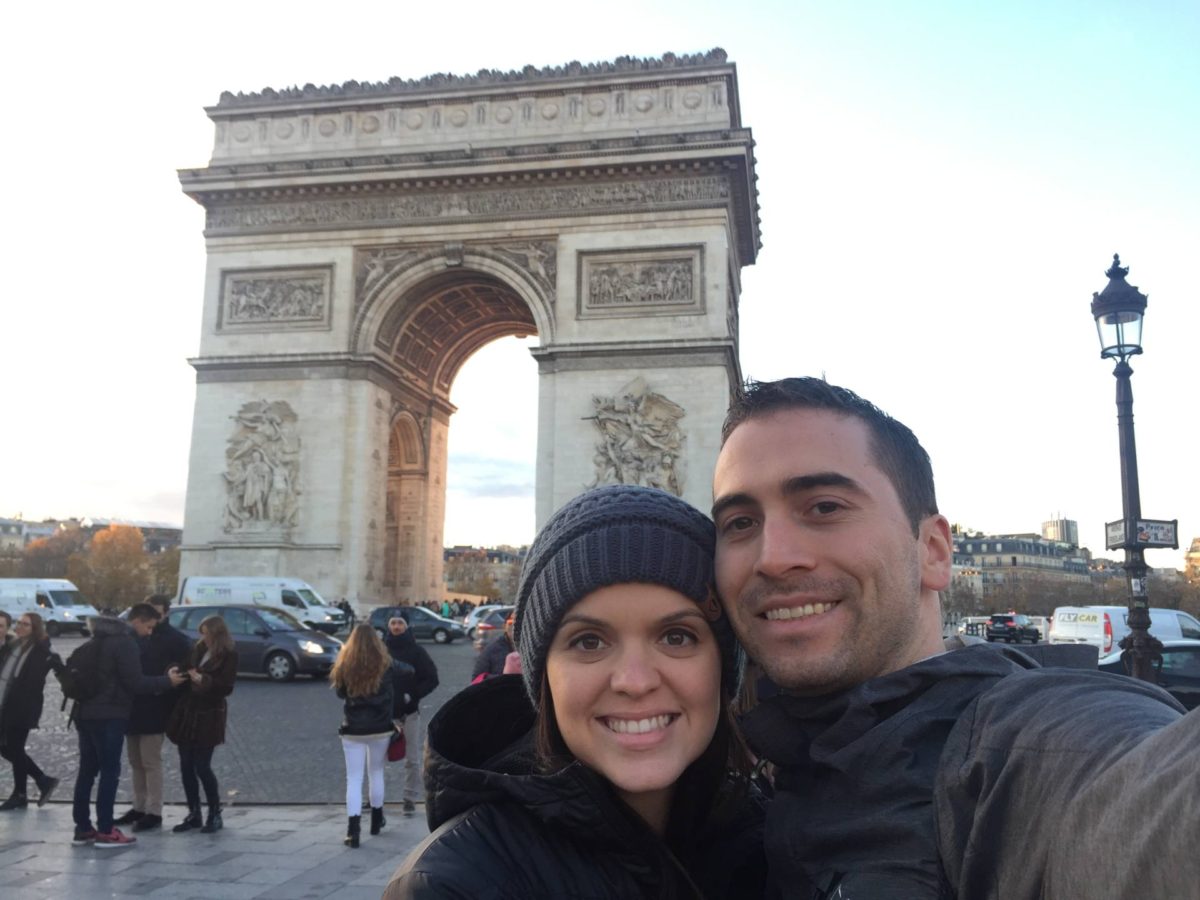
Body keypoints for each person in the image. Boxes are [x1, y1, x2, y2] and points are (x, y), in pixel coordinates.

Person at [710, 376, 1199, 899]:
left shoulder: (1027, 747)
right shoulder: (755, 774)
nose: (773, 557)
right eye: (740, 522)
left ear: (935, 551)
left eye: (824, 507)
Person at [386, 484, 765, 899]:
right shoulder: (450, 889)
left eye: (676, 637)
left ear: (724, 666)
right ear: (541, 675)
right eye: (589, 642)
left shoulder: (782, 843)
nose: (635, 681)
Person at [66, 609, 185, 847]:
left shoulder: (90, 644)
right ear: (136, 622)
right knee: (110, 772)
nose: (149, 632)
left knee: (87, 772)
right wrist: (168, 682)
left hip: (83, 713)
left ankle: (83, 828)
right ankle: (106, 830)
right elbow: (136, 682)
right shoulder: (124, 644)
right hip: (110, 715)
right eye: (149, 626)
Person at [331, 624, 415, 847]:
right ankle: (377, 821)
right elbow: (409, 669)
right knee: (376, 773)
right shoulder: (385, 664)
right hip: (380, 728)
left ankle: (353, 831)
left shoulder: (345, 664)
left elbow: (340, 693)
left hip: (353, 729)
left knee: (354, 778)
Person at [113, 597, 193, 832]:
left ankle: (154, 811)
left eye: (155, 615)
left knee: (150, 762)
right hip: (134, 706)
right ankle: (139, 806)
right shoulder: (133, 639)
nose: (152, 624)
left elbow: (180, 672)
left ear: (165, 614)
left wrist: (167, 684)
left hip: (155, 706)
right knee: (136, 761)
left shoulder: (175, 640)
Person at [165, 614, 237, 835]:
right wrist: (176, 670)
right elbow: (185, 664)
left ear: (216, 634)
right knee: (186, 764)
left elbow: (226, 686)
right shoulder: (197, 649)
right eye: (201, 633)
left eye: (206, 634)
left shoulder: (228, 654)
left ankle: (214, 813)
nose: (203, 638)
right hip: (189, 711)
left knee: (202, 766)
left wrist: (203, 681)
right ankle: (193, 812)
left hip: (208, 713)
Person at [0, 612, 60, 810]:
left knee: (15, 748)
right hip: (8, 705)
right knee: (8, 748)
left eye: (26, 624)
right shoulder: (15, 646)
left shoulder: (40, 650)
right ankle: (42, 780)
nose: (20, 626)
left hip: (23, 708)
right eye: (19, 623)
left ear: (35, 628)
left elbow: (33, 682)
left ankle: (21, 794)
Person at [384, 615, 439, 815]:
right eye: (393, 623)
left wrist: (413, 695)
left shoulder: (417, 652)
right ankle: (374, 798)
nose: (397, 627)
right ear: (388, 627)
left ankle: (410, 797)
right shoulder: (381, 650)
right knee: (375, 759)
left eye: (400, 623)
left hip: (409, 712)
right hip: (384, 713)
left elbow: (432, 678)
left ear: (406, 627)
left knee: (412, 758)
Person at [470, 612, 516, 682]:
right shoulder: (492, 649)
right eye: (510, 623)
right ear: (504, 626)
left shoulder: (533, 650)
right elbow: (476, 678)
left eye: (519, 623)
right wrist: (503, 679)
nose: (514, 627)